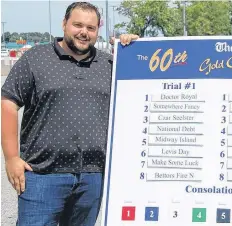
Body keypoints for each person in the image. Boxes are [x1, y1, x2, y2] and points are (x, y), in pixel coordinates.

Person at [1, 2, 138, 225]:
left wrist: (133, 49)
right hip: (41, 175)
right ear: (64, 24)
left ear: (98, 31)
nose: (84, 32)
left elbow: (143, 86)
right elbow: (8, 103)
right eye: (78, 25)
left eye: (91, 28)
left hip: (92, 177)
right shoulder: (35, 59)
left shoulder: (110, 64)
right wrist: (11, 158)